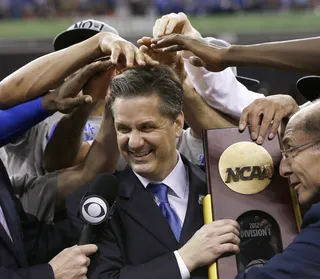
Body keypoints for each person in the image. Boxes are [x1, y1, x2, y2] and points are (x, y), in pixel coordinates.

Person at [0, 32, 157, 277]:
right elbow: (57, 161)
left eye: (99, 61)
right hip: (33, 194)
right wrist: (50, 274)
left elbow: (31, 241)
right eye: (73, 58)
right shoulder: (39, 118)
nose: (86, 67)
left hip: (32, 206)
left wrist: (100, 229)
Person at [67, 65, 241, 279]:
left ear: (177, 123)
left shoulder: (222, 187)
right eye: (123, 129)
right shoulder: (94, 204)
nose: (134, 142)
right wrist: (185, 259)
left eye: (146, 127)